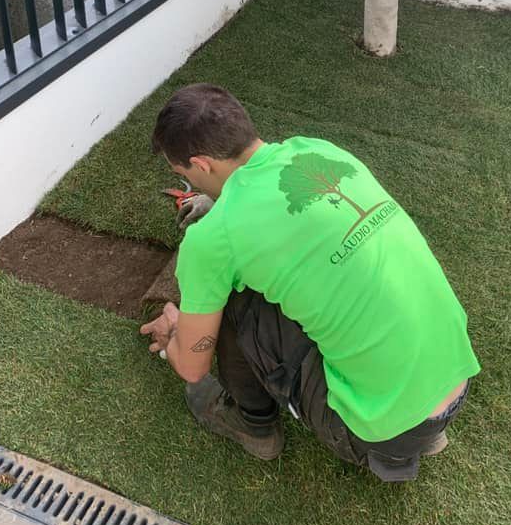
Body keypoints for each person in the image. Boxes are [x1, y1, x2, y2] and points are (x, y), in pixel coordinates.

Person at [141, 83, 480, 482]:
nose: (192, 186)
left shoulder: (213, 239)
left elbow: (194, 367)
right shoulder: (317, 150)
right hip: (455, 383)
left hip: (382, 433)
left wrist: (179, 333)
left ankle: (252, 424)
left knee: (234, 295)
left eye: (184, 175)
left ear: (200, 164)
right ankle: (425, 428)